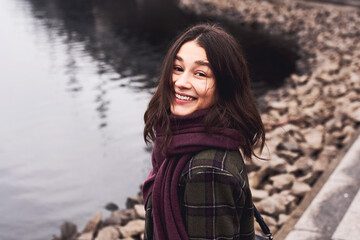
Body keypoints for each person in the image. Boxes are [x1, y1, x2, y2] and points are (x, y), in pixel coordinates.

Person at [142, 23, 265, 240]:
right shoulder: (190, 142)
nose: (180, 82)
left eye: (200, 73)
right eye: (178, 68)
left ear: (225, 85)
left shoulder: (206, 171)